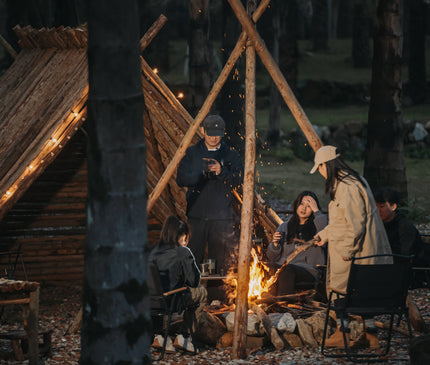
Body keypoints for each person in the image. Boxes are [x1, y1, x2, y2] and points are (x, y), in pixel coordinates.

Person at [311, 145, 392, 348]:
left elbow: (356, 223)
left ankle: (343, 333)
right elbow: (341, 220)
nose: (320, 173)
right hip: (355, 247)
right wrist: (324, 235)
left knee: (340, 290)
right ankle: (370, 335)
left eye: (319, 168)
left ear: (325, 165)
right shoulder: (348, 182)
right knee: (360, 291)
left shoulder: (347, 186)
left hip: (356, 251)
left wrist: (347, 251)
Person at [176, 115, 244, 277]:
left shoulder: (231, 154)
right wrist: (201, 173)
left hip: (222, 216)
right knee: (193, 257)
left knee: (220, 260)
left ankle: (217, 298)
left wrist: (221, 171)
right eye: (210, 133)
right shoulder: (192, 152)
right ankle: (190, 294)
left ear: (223, 133)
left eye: (217, 134)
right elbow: (181, 179)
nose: (213, 138)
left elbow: (240, 180)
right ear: (202, 131)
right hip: (197, 214)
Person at [149, 216, 207, 353]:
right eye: (185, 237)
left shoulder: (151, 251)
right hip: (171, 301)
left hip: (148, 302)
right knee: (201, 292)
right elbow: (194, 281)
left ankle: (159, 336)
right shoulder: (182, 252)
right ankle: (184, 336)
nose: (186, 240)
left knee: (157, 295)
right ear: (181, 235)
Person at [266, 191, 328, 296]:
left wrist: (317, 211)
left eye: (309, 206)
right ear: (296, 205)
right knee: (267, 266)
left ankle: (283, 304)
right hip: (285, 266)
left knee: (286, 270)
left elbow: (326, 232)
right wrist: (275, 245)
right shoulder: (285, 227)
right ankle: (266, 302)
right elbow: (272, 258)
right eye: (302, 204)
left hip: (309, 270)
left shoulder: (318, 227)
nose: (303, 208)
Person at [374, 187, 430, 287]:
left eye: (381, 207)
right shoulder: (376, 225)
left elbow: (404, 257)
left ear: (393, 206)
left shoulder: (405, 228)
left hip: (411, 273)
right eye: (375, 207)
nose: (378, 210)